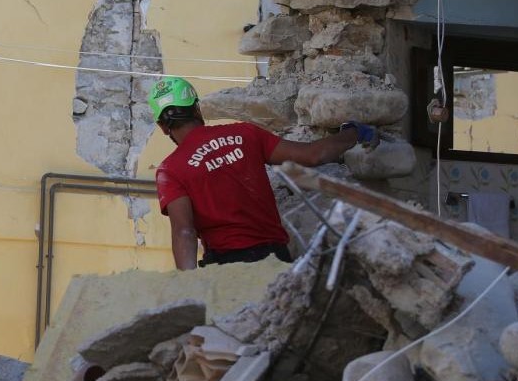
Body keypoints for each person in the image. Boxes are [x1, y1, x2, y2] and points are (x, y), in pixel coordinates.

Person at [149, 76, 377, 270]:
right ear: (197, 108)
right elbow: (313, 155)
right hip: (273, 260)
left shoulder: (170, 170)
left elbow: (184, 231)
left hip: (225, 270)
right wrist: (353, 133)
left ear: (163, 127)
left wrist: (186, 287)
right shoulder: (244, 133)